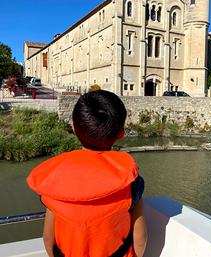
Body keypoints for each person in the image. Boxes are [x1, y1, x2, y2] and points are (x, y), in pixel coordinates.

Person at [27, 90, 147, 257]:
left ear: (74, 129)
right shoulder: (131, 181)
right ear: (121, 134)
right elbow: (140, 238)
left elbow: (48, 238)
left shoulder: (56, 180)